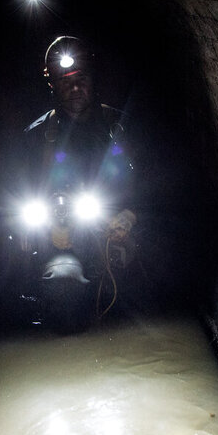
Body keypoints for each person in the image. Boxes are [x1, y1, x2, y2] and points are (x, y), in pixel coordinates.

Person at [17, 35, 141, 323]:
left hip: (110, 234)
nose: (75, 88)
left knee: (142, 265)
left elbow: (151, 183)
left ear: (93, 78)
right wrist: (39, 227)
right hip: (60, 238)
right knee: (56, 279)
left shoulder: (120, 127)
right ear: (51, 84)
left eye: (81, 78)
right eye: (65, 81)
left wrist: (131, 215)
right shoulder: (36, 136)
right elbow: (19, 195)